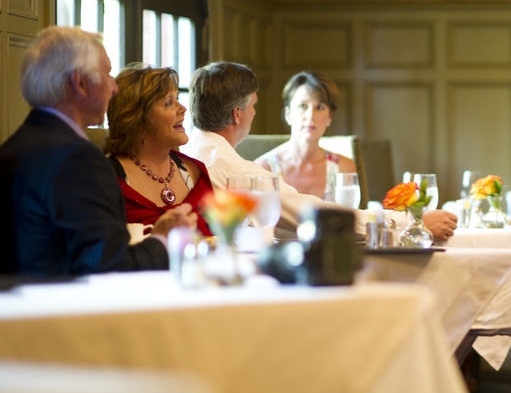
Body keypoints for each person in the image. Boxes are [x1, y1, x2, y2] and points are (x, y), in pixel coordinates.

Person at [0, 26, 196, 277]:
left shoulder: (14, 146)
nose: (114, 88)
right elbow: (109, 270)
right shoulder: (77, 159)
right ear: (80, 83)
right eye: (107, 74)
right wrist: (163, 241)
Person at [181, 62, 456, 241]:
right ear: (237, 114)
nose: (255, 112)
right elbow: (313, 215)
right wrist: (410, 222)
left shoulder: (184, 152)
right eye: (253, 105)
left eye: (320, 107)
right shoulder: (242, 173)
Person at [105, 64, 215, 237]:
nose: (183, 109)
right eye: (169, 102)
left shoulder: (196, 172)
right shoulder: (107, 178)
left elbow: (216, 238)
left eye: (178, 98)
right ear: (138, 119)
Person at [255, 71, 356, 200]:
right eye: (303, 106)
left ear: (330, 117)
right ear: (288, 115)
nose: (310, 116)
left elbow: (352, 217)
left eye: (319, 107)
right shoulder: (264, 169)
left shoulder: (344, 168)